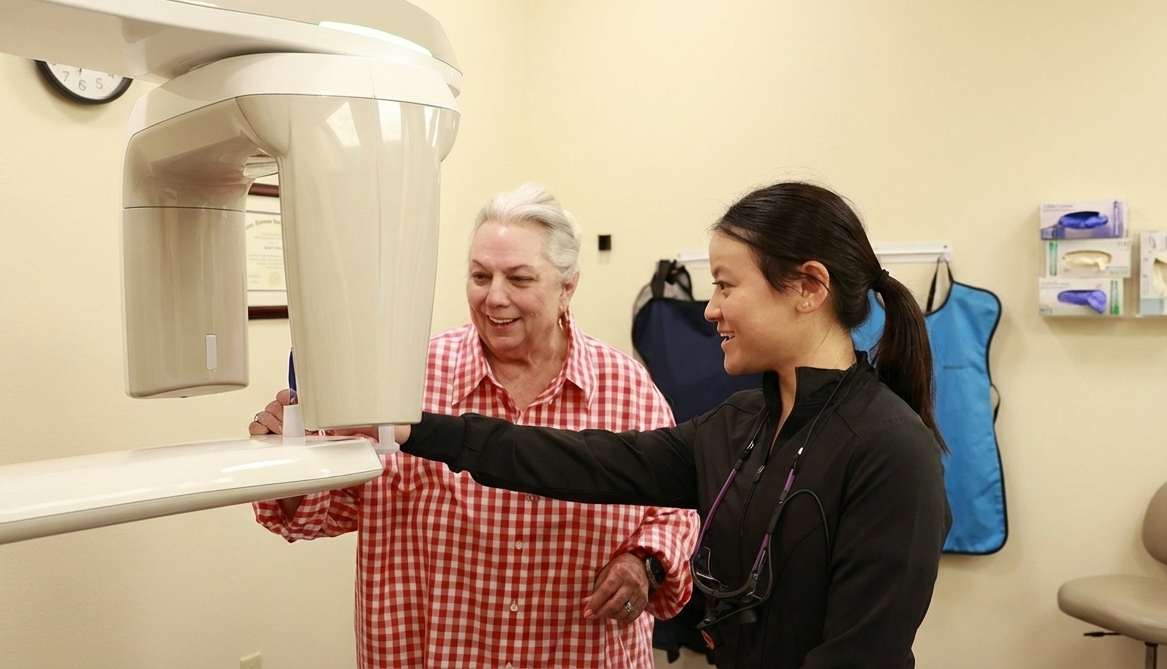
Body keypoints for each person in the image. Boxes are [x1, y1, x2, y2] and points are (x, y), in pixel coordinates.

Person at [393, 181, 953, 668]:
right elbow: (576, 460)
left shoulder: (891, 449)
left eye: (727, 286)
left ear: (809, 287)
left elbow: (862, 655)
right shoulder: (738, 428)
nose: (711, 309)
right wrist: (412, 431)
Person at [249, 184, 699, 669]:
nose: (495, 298)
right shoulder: (405, 381)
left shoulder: (625, 389)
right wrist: (287, 462)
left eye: (520, 279)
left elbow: (678, 510)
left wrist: (645, 563)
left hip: (578, 652)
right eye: (480, 276)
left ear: (567, 286)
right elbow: (327, 506)